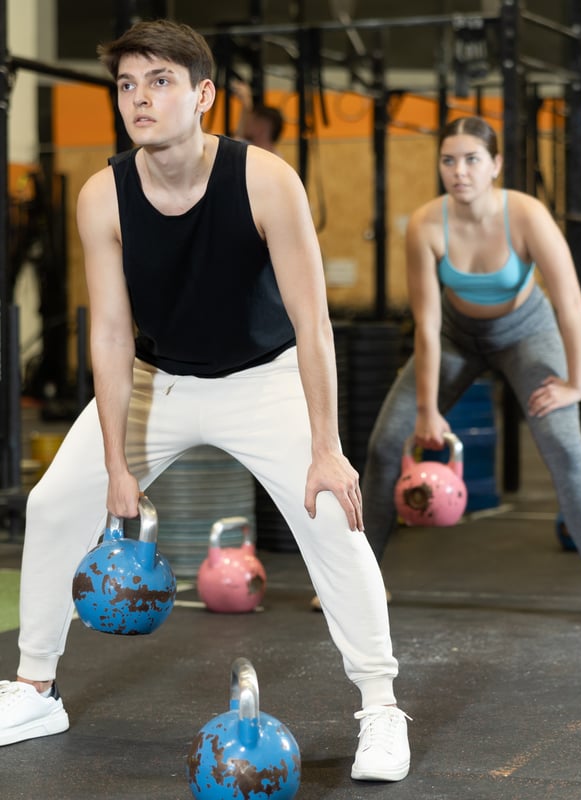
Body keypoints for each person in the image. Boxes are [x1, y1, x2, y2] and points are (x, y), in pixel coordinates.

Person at [0, 19, 410, 783]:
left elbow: (313, 321)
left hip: (262, 378)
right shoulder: (103, 197)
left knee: (333, 518)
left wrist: (328, 446)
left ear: (203, 96)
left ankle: (381, 708)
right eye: (127, 85)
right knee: (57, 504)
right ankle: (34, 687)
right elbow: (113, 336)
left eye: (159, 81)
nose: (139, 98)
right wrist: (118, 468)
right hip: (158, 381)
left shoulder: (264, 180)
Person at [358, 116, 581, 624]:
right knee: (386, 443)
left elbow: (570, 301)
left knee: (563, 442)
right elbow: (426, 322)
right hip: (455, 335)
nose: (460, 171)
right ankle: (364, 582)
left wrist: (578, 384)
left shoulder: (525, 215)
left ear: (496, 165)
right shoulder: (425, 224)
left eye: (472, 159)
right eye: (449, 160)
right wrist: (427, 412)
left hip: (527, 331)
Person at [231, 78, 283, 153]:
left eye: (254, 119)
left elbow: (236, 143)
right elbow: (236, 140)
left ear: (264, 126)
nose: (248, 121)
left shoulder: (272, 158)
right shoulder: (249, 146)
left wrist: (247, 104)